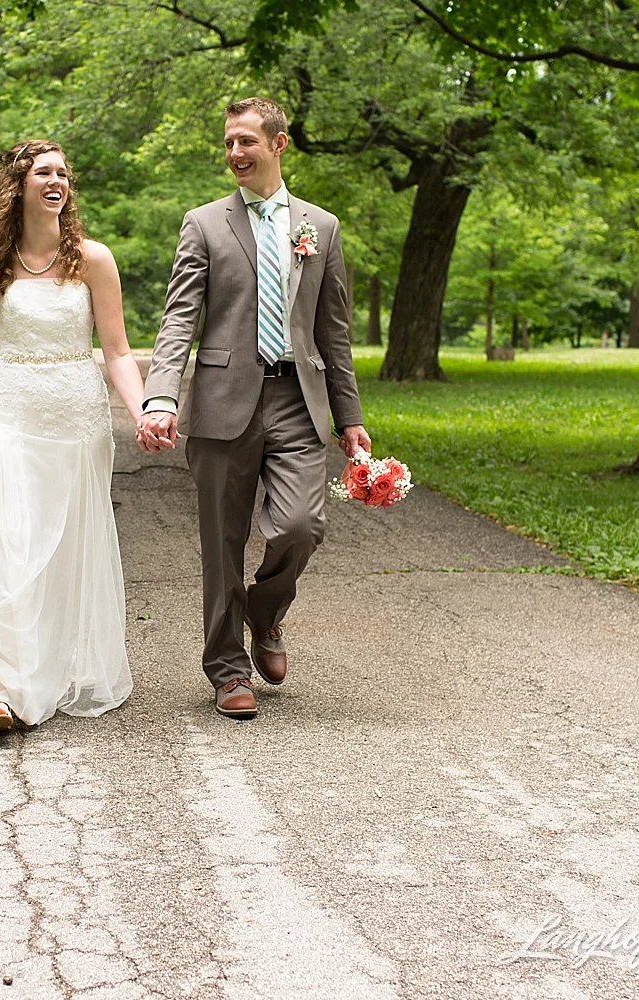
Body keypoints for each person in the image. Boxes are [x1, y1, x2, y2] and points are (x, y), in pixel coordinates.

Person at [137, 98, 370, 720]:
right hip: (221, 401)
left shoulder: (320, 228)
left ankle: (264, 612)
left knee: (301, 526)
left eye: (247, 142)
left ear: (280, 144)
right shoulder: (205, 223)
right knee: (222, 540)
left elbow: (334, 332)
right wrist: (161, 393)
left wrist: (349, 419)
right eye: (228, 144)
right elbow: (179, 316)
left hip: (298, 399)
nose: (236, 154)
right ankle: (227, 670)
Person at [0, 139, 146, 734]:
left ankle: (47, 670)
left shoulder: (94, 259)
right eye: (43, 173)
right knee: (1, 550)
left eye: (63, 173)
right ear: (18, 185)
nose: (57, 181)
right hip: (8, 418)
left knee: (60, 553)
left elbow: (117, 351)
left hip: (78, 424)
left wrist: (141, 412)